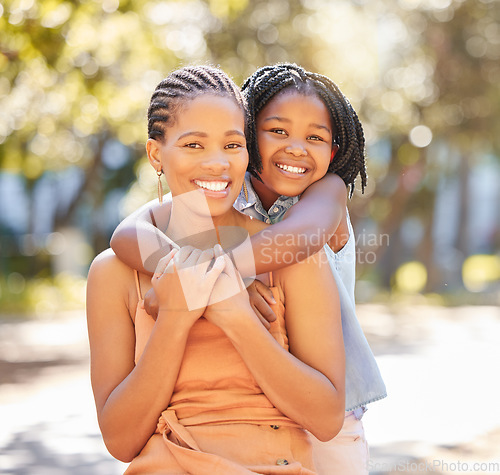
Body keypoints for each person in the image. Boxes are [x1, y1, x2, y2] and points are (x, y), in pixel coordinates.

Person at [110, 63, 386, 474]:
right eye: (278, 131)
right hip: (260, 405)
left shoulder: (326, 192)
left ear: (332, 152)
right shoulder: (226, 189)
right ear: (249, 136)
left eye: (315, 137)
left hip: (332, 404)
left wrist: (216, 274)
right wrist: (192, 275)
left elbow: (296, 239)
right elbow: (129, 232)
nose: (296, 147)